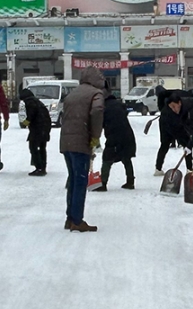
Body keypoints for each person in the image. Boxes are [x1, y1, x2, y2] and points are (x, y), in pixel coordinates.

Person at [58, 67, 105, 232]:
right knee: (80, 181)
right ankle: (77, 220)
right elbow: (98, 111)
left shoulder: (72, 94)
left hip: (66, 143)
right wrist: (95, 136)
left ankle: (70, 218)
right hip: (80, 142)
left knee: (73, 179)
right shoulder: (96, 94)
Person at [95, 82, 136, 190]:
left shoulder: (103, 107)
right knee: (126, 158)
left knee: (107, 159)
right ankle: (130, 181)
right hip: (127, 134)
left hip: (114, 135)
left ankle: (103, 183)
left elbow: (100, 123)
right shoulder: (118, 103)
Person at [18, 87, 52, 176]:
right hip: (45, 127)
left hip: (38, 128)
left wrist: (25, 122)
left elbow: (31, 114)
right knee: (42, 147)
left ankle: (39, 167)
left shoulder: (29, 102)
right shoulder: (37, 101)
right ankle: (43, 167)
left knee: (33, 147)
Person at [153, 85, 181, 176]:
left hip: (163, 122)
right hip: (173, 121)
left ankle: (158, 168)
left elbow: (161, 109)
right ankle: (189, 168)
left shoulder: (162, 99)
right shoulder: (173, 97)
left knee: (164, 145)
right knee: (186, 144)